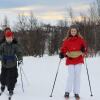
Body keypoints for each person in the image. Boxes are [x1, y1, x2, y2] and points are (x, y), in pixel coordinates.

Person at [59, 25, 87, 99]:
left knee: (77, 76)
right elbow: (63, 49)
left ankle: (76, 93)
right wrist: (62, 54)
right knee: (71, 76)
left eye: (74, 31)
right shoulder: (66, 40)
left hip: (79, 59)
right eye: (72, 31)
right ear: (70, 32)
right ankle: (67, 92)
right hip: (70, 59)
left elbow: (85, 48)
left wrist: (84, 50)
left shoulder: (81, 39)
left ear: (77, 32)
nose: (73, 32)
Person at [0, 31, 23, 96]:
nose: (9, 39)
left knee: (11, 77)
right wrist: (1, 57)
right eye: (7, 38)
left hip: (13, 64)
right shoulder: (3, 45)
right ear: (5, 38)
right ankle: (3, 85)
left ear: (12, 37)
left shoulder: (15, 45)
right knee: (3, 76)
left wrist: (20, 60)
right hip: (4, 64)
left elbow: (19, 53)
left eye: (10, 38)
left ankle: (10, 89)